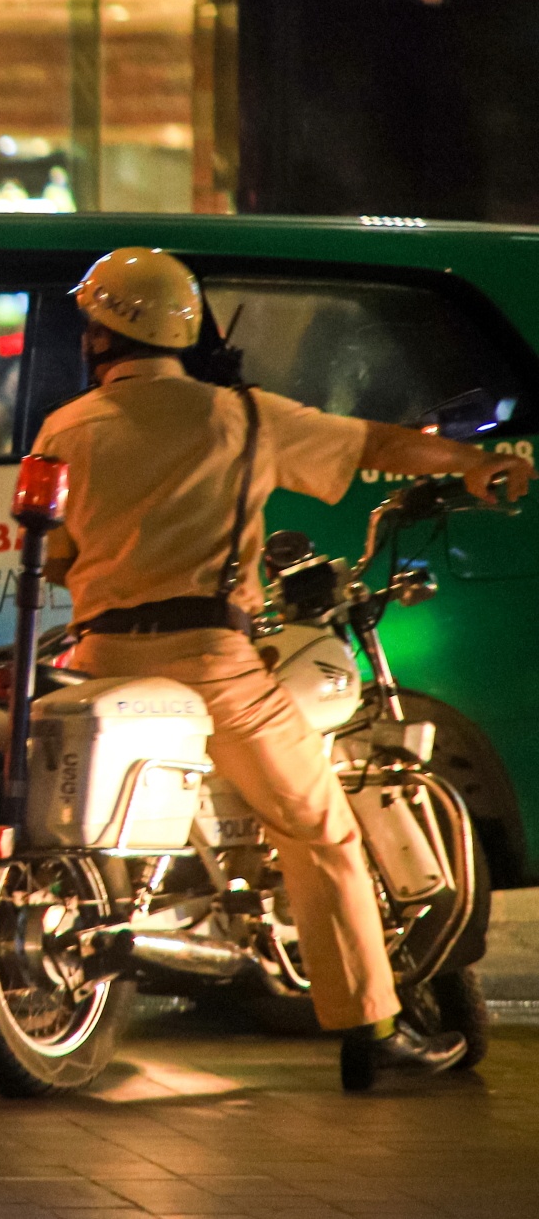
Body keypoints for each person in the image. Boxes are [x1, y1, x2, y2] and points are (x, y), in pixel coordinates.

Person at [33, 246, 533, 1091]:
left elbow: (52, 555)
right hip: (210, 663)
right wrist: (475, 465)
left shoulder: (63, 429)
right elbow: (375, 445)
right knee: (321, 828)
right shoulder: (241, 416)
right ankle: (372, 1023)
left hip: (98, 659)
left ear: (101, 338)